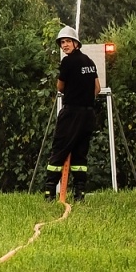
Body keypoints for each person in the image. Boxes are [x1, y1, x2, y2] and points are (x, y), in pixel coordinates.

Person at [44, 25, 98, 202]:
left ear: (76, 43)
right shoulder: (90, 62)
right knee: (80, 154)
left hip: (71, 113)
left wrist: (73, 93)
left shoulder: (67, 62)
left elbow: (60, 86)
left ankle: (50, 192)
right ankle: (79, 193)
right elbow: (96, 88)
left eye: (67, 41)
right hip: (88, 115)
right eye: (62, 43)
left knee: (59, 149)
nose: (64, 45)